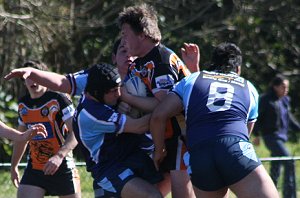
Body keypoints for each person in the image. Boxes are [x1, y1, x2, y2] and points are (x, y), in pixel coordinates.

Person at [150, 42, 280, 198]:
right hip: (232, 146)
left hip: (199, 153)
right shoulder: (248, 87)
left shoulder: (192, 79)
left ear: (212, 64)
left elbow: (158, 116)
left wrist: (159, 150)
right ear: (238, 69)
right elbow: (246, 134)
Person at [118, 4, 196, 197]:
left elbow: (165, 107)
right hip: (163, 137)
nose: (123, 40)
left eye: (125, 34)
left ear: (142, 34)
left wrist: (128, 98)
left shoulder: (160, 61)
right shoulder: (140, 63)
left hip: (182, 136)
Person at [72, 63, 163, 198]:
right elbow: (139, 127)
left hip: (128, 157)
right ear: (98, 92)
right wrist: (166, 106)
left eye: (119, 88)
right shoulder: (92, 113)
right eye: (114, 90)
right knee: (152, 196)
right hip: (110, 169)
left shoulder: (95, 95)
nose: (119, 94)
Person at [10, 60, 81, 198]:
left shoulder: (58, 99)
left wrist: (59, 156)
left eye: (36, 76)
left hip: (62, 166)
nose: (32, 81)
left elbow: (76, 132)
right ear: (24, 81)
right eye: (28, 78)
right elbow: (21, 138)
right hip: (36, 168)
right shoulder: (23, 104)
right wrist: (14, 166)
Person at [252, 74, 300, 198]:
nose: (286, 90)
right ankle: (290, 195)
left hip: (281, 137)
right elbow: (257, 117)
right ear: (275, 86)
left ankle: (270, 193)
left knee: (276, 165)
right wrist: (256, 134)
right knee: (289, 160)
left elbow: (289, 119)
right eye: (283, 87)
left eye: (287, 87)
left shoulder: (284, 100)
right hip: (270, 137)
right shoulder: (266, 100)